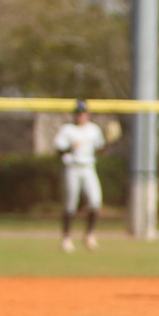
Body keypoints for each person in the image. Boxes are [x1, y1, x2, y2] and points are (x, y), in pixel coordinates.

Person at [55, 98, 106, 252]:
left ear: (88, 114)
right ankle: (66, 238)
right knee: (70, 204)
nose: (80, 116)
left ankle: (89, 235)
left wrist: (109, 141)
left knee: (95, 201)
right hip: (72, 167)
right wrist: (70, 147)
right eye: (78, 113)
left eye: (83, 113)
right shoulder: (68, 130)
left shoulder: (94, 130)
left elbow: (101, 149)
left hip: (89, 167)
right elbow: (58, 151)